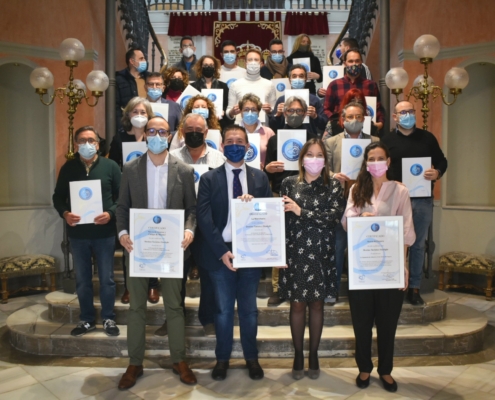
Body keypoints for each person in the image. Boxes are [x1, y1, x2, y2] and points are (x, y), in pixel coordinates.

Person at [116, 116, 198, 389]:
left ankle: (179, 359)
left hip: (173, 248)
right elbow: (122, 208)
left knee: (174, 306)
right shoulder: (130, 168)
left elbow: (192, 210)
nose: (156, 135)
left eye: (162, 131)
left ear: (170, 135)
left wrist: (189, 230)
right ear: (145, 134)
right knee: (137, 307)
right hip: (138, 247)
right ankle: (134, 362)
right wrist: (122, 233)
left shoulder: (183, 170)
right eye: (152, 130)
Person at [196, 125, 272, 381]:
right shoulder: (208, 179)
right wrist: (222, 252)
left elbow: (269, 216)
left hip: (251, 252)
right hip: (221, 253)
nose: (235, 144)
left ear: (248, 147)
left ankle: (252, 358)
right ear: (222, 146)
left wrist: (257, 205)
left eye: (240, 141)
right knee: (223, 310)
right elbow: (204, 219)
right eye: (229, 141)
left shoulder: (260, 178)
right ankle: (222, 359)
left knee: (249, 310)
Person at [342, 141, 415, 393]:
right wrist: (360, 217)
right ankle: (364, 367)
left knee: (387, 323)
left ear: (388, 161)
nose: (375, 163)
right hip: (362, 267)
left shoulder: (400, 191)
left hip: (390, 268)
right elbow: (345, 221)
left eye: (380, 158)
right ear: (366, 163)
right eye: (371, 159)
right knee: (361, 322)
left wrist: (403, 267)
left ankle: (385, 370)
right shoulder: (356, 189)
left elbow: (406, 231)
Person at [279, 138, 345, 380]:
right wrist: (276, 251)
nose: (314, 159)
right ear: (302, 159)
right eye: (310, 155)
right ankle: (298, 354)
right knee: (297, 304)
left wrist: (301, 211)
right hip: (295, 250)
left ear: (325, 161)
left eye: (319, 155)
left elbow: (333, 217)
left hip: (321, 251)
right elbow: (280, 221)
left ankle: (314, 354)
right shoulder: (287, 183)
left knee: (317, 304)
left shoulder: (334, 185)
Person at [53, 126, 121, 337]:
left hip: (105, 233)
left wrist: (110, 213)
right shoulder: (68, 168)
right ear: (75, 145)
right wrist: (65, 213)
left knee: (107, 279)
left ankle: (109, 318)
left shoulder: (111, 166)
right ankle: (87, 319)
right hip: (79, 235)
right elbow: (58, 197)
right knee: (82, 279)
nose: (87, 144)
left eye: (91, 140)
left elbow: (121, 198)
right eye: (82, 140)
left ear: (98, 144)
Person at [381, 100, 448, 305]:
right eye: (403, 112)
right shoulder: (387, 140)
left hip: (422, 199)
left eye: (410, 111)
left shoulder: (427, 138)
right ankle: (392, 285)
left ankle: (414, 288)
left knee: (418, 244)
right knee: (392, 243)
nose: (407, 115)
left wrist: (437, 172)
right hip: (395, 198)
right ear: (395, 117)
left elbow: (442, 160)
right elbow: (380, 167)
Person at [167, 113, 226, 338]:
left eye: (198, 130)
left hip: (208, 227)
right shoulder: (170, 157)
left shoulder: (218, 159)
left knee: (209, 276)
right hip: (178, 226)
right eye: (189, 129)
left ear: (206, 132)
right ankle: (173, 317)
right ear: (182, 132)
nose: (194, 133)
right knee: (175, 278)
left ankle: (208, 318)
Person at [264, 96, 317, 306]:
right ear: (284, 113)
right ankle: (279, 288)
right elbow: (267, 168)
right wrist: (268, 169)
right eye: (290, 111)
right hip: (279, 195)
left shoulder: (313, 138)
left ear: (305, 114)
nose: (294, 115)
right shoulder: (275, 139)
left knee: (304, 241)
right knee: (279, 242)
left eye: (298, 111)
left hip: (307, 196)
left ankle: (305, 282)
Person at [324, 102, 379, 304]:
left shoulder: (375, 140)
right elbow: (324, 170)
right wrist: (333, 175)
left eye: (359, 117)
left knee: (365, 243)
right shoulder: (331, 142)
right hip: (340, 199)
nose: (354, 121)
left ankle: (365, 290)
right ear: (342, 120)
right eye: (350, 117)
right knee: (338, 246)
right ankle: (333, 288)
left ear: (364, 119)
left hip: (366, 198)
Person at [108, 97, 160, 304]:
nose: (139, 116)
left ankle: (153, 285)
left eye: (143, 112)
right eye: (135, 112)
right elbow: (112, 167)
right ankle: (131, 286)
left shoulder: (153, 137)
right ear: (128, 114)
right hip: (127, 196)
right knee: (129, 242)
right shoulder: (119, 139)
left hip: (151, 195)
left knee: (153, 240)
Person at [323, 48, 385, 133]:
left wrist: (380, 123)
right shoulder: (334, 85)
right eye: (351, 61)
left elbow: (378, 108)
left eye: (357, 61)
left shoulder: (371, 85)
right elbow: (326, 109)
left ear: (361, 63)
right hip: (340, 129)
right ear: (345, 64)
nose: (354, 64)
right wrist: (336, 121)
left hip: (365, 129)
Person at [269, 64, 328, 135]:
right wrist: (278, 115)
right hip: (286, 138)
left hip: (309, 138)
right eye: (294, 76)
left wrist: (315, 116)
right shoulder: (282, 100)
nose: (297, 79)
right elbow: (272, 126)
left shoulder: (314, 100)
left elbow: (324, 125)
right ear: (289, 79)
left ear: (306, 79)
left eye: (301, 76)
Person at [226, 48, 276, 124]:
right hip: (240, 128)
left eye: (256, 60)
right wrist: (232, 112)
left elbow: (274, 111)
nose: (253, 62)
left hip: (262, 128)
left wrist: (269, 111)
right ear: (245, 64)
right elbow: (228, 113)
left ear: (261, 64)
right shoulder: (235, 85)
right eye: (250, 60)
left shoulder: (269, 84)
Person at [191, 55, 230, 129]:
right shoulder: (193, 86)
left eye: (211, 65)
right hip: (198, 123)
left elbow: (227, 105)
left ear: (215, 68)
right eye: (205, 65)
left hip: (219, 123)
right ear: (201, 67)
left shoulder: (223, 86)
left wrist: (223, 111)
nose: (208, 67)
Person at [238, 93, 276, 169]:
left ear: (258, 112)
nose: (250, 113)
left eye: (253, 110)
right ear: (241, 112)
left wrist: (266, 168)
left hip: (263, 176)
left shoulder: (269, 132)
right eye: (246, 109)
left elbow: (273, 158)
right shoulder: (233, 132)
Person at [116, 47, 148, 128]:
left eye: (144, 58)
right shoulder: (119, 79)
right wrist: (121, 124)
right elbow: (116, 105)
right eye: (141, 59)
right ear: (132, 61)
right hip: (128, 123)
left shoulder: (148, 77)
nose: (144, 61)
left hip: (147, 121)